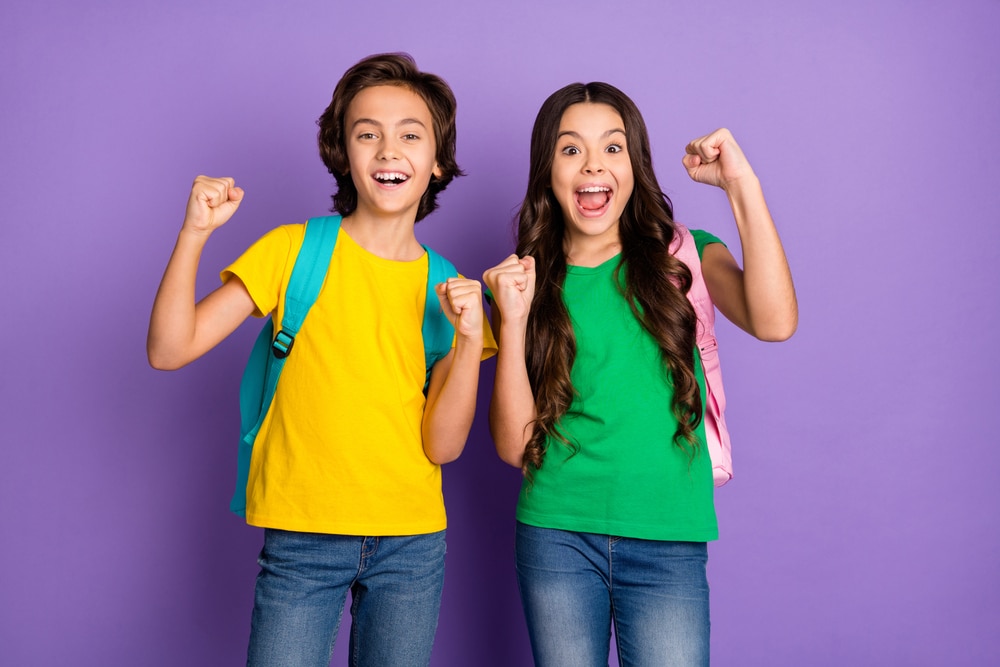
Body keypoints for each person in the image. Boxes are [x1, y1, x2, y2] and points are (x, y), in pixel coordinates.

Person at [147, 53, 496, 667]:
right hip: (302, 537)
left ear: (437, 161)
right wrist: (194, 233)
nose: (389, 150)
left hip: (411, 545)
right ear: (343, 152)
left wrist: (471, 342)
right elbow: (169, 349)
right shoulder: (293, 251)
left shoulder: (452, 290)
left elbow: (442, 447)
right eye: (368, 134)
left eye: (410, 135)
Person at [482, 82, 797, 666]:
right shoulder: (523, 282)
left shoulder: (688, 257)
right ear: (546, 169)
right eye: (571, 149)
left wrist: (740, 185)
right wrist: (515, 318)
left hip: (668, 537)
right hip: (556, 535)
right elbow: (513, 447)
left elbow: (775, 322)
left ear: (636, 164)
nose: (593, 164)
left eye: (614, 147)